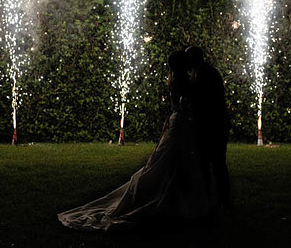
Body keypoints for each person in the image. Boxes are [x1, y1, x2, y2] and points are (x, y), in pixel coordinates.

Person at [57, 51, 209, 231]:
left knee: (170, 160)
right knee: (175, 160)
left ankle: (175, 199)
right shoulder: (187, 82)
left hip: (177, 122)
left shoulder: (175, 80)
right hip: (182, 123)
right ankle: (179, 202)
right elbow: (187, 105)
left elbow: (177, 105)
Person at [185, 46, 231, 210]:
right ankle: (213, 199)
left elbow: (206, 100)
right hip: (212, 124)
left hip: (213, 125)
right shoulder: (201, 72)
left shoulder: (206, 74)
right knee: (208, 163)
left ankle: (221, 201)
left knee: (215, 163)